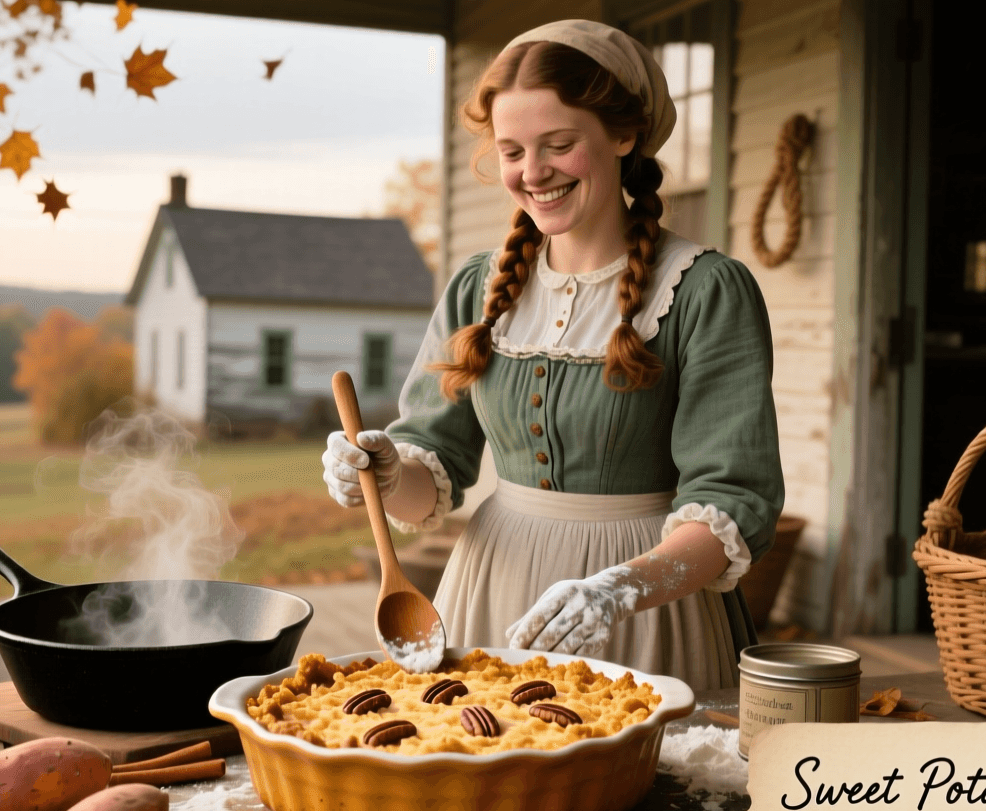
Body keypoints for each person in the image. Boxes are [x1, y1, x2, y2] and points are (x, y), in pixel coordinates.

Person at [322, 19, 782, 690]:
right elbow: (434, 474)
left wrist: (618, 590)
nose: (532, 173)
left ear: (624, 136)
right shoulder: (478, 287)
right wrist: (386, 473)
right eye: (512, 151)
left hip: (644, 609)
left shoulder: (706, 290)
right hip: (489, 590)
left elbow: (735, 498)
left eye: (559, 145)